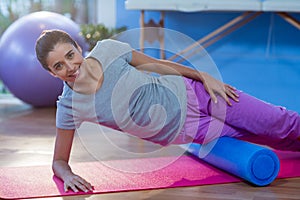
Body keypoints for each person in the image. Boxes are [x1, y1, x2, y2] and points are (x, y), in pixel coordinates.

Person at [35, 29, 300, 193]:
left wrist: (203, 76)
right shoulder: (69, 107)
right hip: (190, 130)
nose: (69, 67)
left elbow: (158, 64)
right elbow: (59, 160)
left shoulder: (108, 50)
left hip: (196, 93)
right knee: (265, 138)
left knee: (277, 122)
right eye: (58, 66)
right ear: (50, 73)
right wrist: (67, 175)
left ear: (78, 48)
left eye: (70, 55)